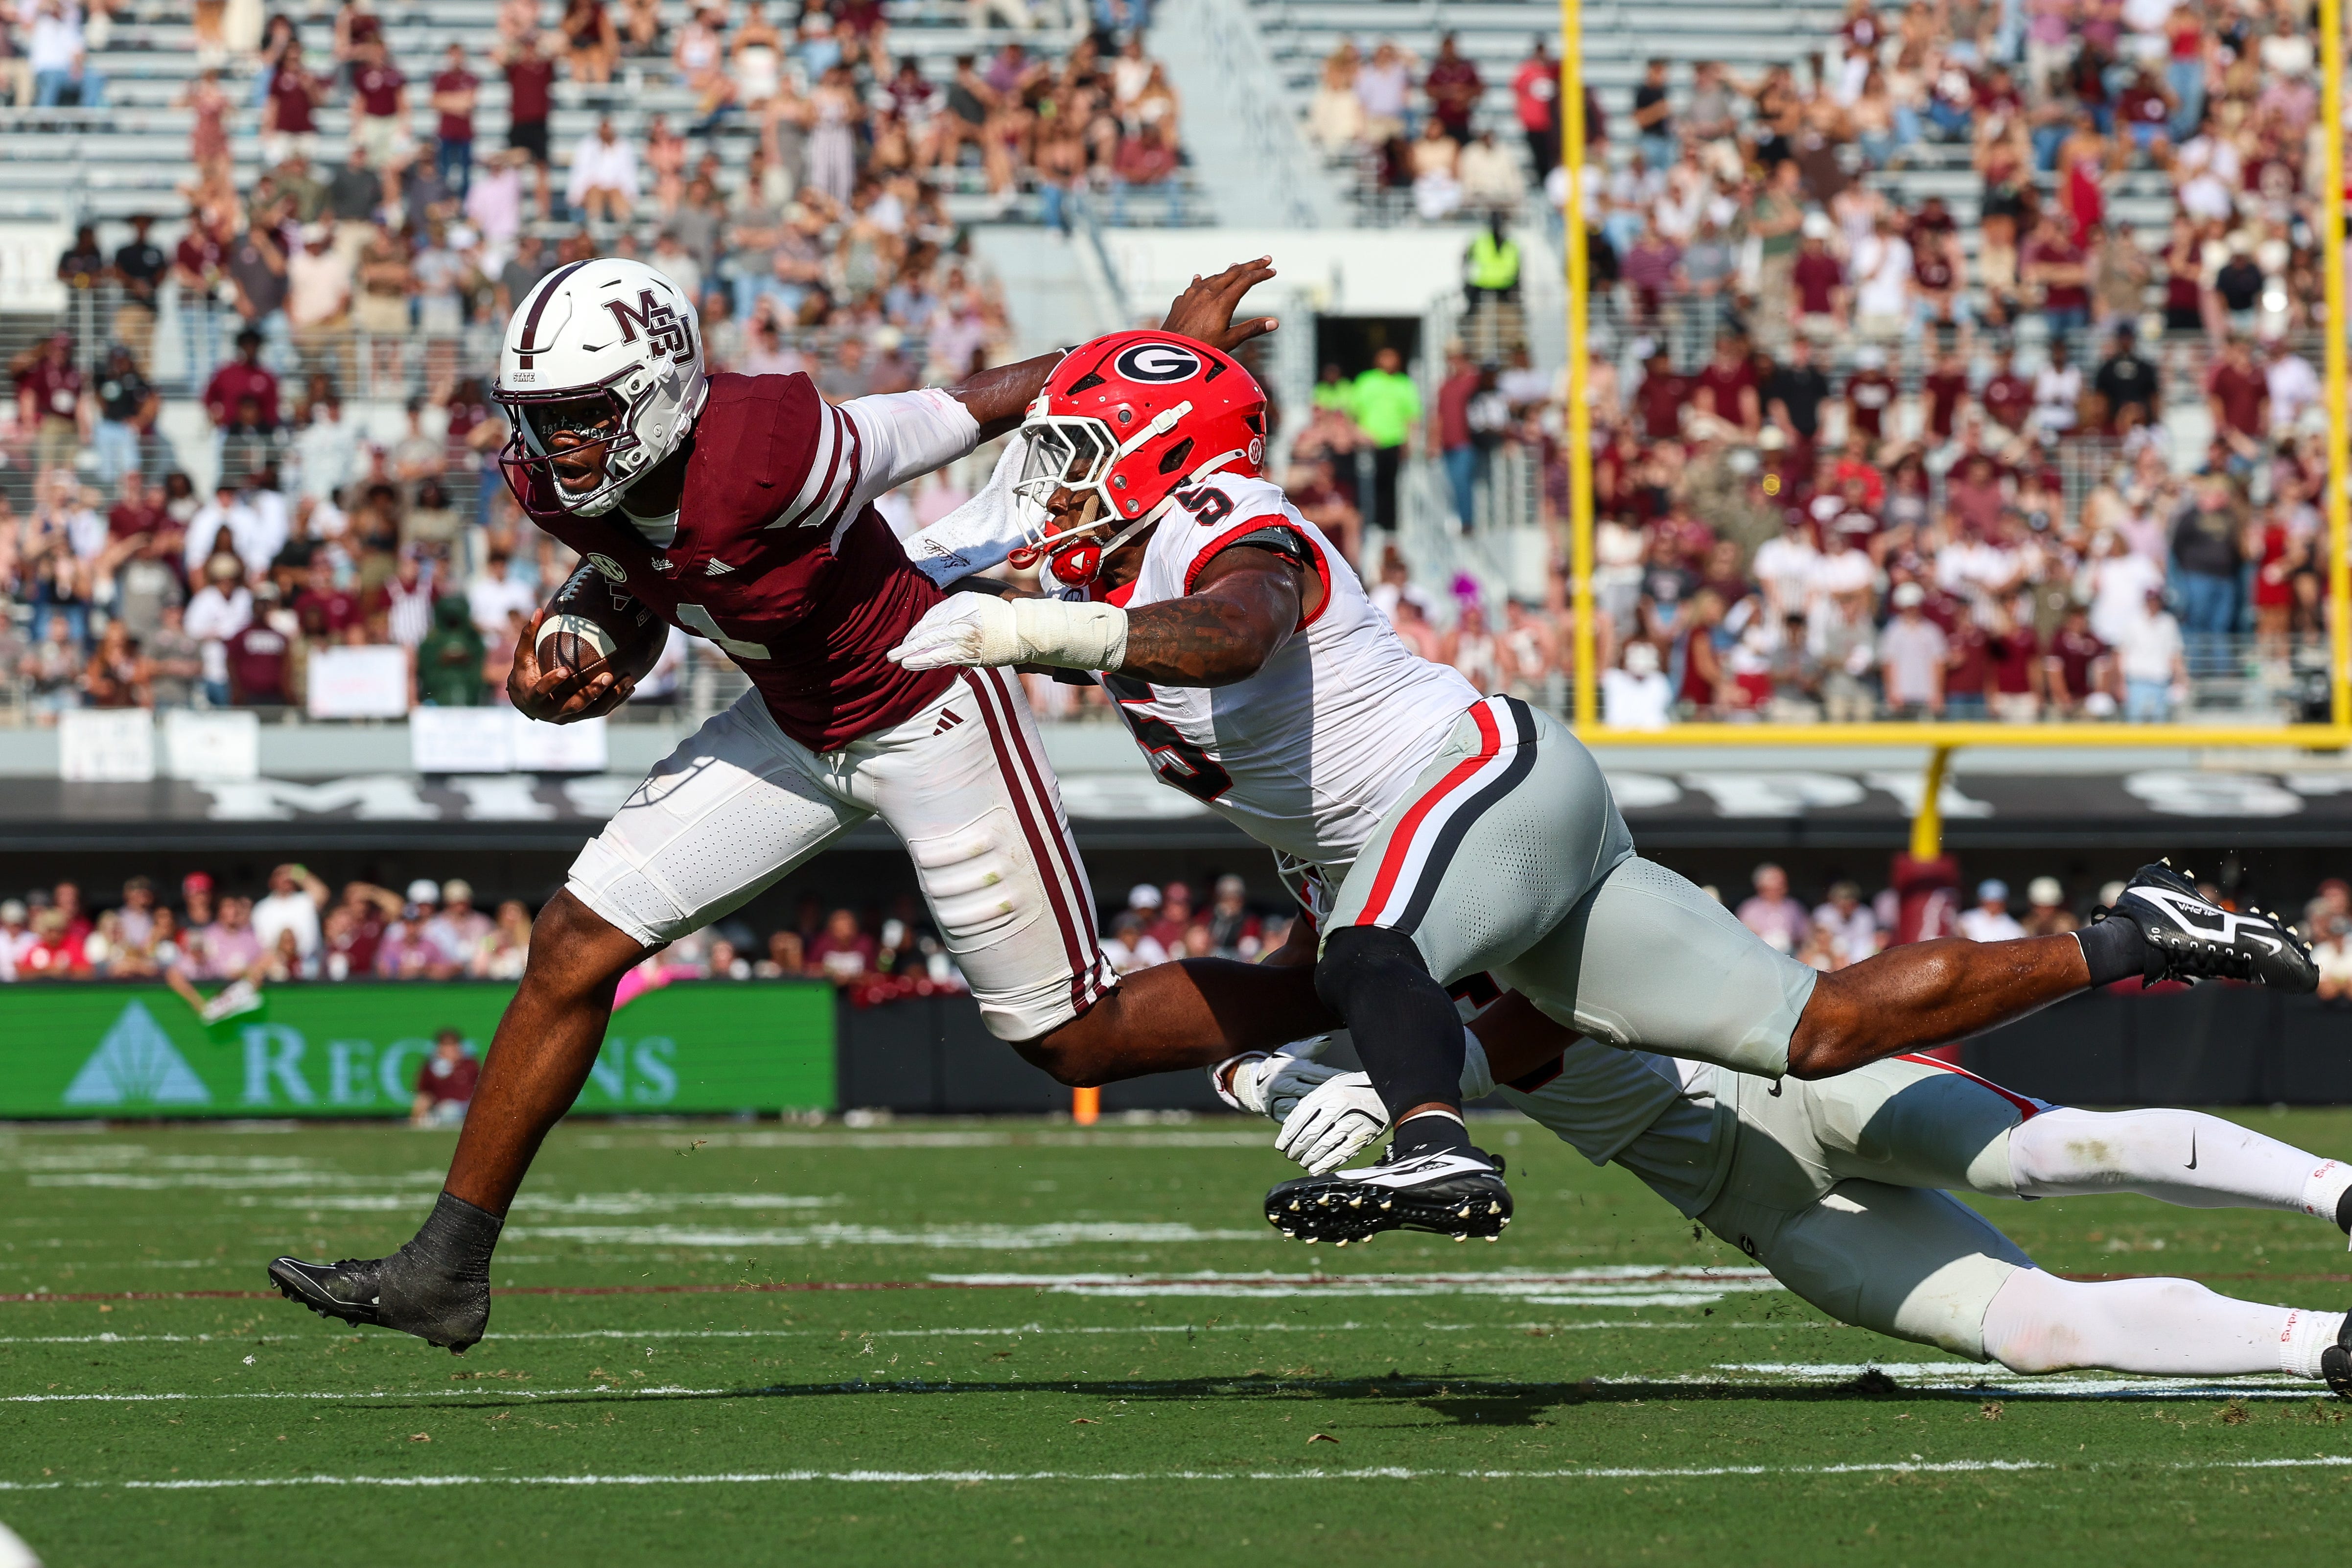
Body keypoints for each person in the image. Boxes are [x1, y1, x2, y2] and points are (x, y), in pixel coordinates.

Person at [889, 329, 2316, 1248]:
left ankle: (1436, 1151)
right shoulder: (1116, 561)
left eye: (1079, 455)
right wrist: (1260, 1053)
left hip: (1471, 781)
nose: (1055, 487)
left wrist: (1047, 634)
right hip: (1445, 846)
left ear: (1159, 460)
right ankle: (2130, 931)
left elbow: (1242, 626)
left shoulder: (1218, 519)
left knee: (1369, 951)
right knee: (1810, 1027)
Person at [271, 257, 1346, 1353]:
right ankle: (446, 1266)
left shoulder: (774, 445)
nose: (561, 448)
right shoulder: (547, 478)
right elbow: (645, 567)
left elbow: (971, 406)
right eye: (540, 421)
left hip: (926, 700)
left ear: (659, 393)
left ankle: (1335, 986)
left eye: (585, 417)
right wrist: (579, 638)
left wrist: (1168, 352)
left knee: (1073, 1038)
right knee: (571, 943)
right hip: (790, 721)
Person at [1242, 980, 2352, 1400]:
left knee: (2045, 1152)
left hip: (1793, 1085)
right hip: (1744, 1198)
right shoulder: (1364, 937)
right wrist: (1254, 1067)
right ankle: (2322, 1346)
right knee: (2034, 1331)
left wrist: (1431, 1078)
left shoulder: (1506, 858)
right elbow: (1258, 1012)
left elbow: (1558, 1000)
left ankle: (2336, 1190)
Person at [412, 1030, 481, 1126]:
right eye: (446, 1046)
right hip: (445, 1110)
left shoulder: (470, 1064)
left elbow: (482, 1088)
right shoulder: (431, 1066)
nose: (450, 1049)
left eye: (453, 1045)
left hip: (470, 1107)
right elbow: (424, 1094)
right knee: (448, 1110)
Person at [1957, 879, 2027, 942]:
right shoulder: (1965, 920)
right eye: (1990, 901)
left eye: (1997, 902)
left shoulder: (2015, 928)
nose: (1994, 905)